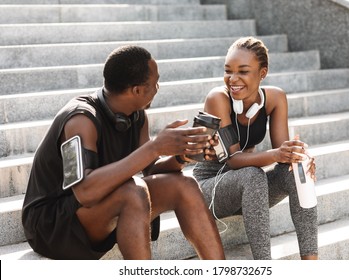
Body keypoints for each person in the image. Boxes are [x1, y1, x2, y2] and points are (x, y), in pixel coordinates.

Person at [22, 45, 225, 260]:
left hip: (100, 207)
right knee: (133, 191)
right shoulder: (80, 121)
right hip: (52, 225)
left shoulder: (136, 117)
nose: (158, 87)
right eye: (155, 82)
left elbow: (149, 170)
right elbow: (84, 192)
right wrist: (154, 147)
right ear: (136, 90)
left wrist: (181, 156)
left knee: (185, 185)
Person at [192, 36, 318, 260]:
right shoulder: (218, 98)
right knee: (252, 175)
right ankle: (263, 266)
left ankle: (311, 263)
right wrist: (276, 154)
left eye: (243, 71)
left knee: (296, 173)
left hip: (251, 194)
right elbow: (232, 160)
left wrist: (298, 157)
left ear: (262, 73)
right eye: (228, 71)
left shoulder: (276, 98)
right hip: (210, 189)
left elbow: (282, 158)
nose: (233, 79)